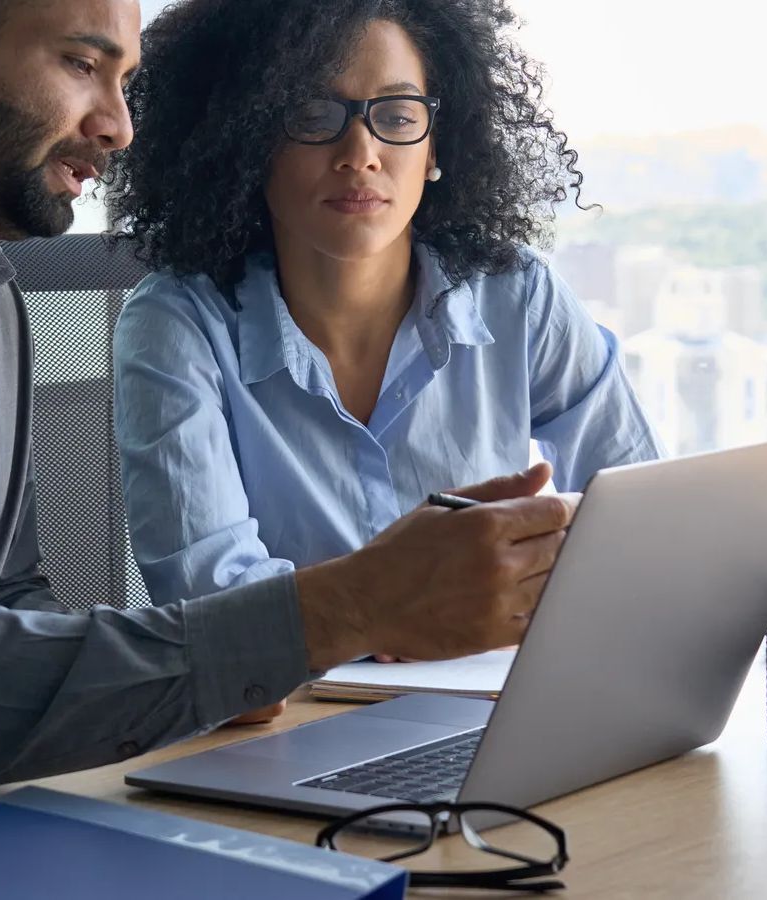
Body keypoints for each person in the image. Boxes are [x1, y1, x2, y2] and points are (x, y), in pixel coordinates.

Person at [0, 0, 574, 801]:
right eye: (82, 66)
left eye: (126, 82)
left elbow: (11, 599)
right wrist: (351, 607)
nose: (119, 126)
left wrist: (215, 671)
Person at [110, 0, 662, 643]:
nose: (361, 153)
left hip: (493, 701)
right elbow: (215, 611)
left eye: (398, 116)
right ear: (248, 140)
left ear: (435, 147)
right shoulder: (176, 324)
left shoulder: (519, 294)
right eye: (314, 114)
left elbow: (639, 518)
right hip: (293, 724)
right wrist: (392, 614)